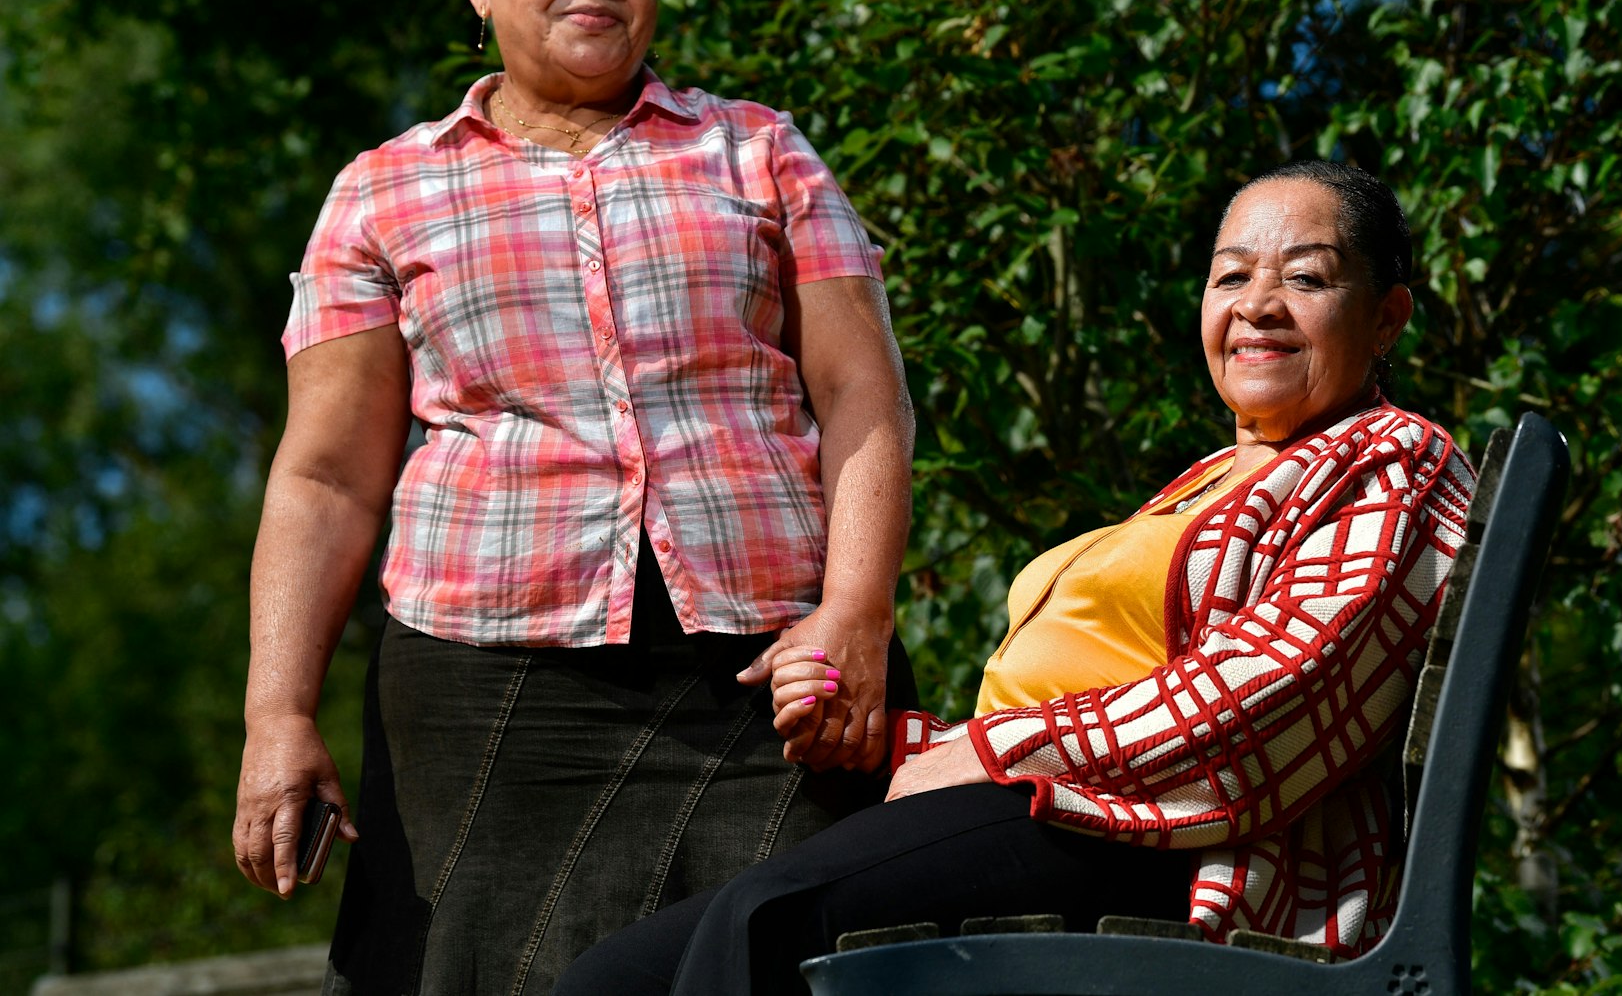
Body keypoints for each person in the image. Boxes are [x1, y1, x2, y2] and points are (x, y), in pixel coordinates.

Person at [230, 0, 916, 996]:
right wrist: (275, 713)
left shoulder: (760, 152)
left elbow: (863, 393)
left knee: (795, 967)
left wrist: (855, 612)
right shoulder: (383, 190)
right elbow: (327, 477)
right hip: (485, 702)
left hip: (773, 691)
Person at [553, 161, 1477, 996]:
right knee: (615, 977)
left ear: (1386, 315)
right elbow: (1075, 690)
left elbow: (1275, 689)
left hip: (1163, 840)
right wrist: (889, 735)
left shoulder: (1392, 455)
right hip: (1054, 801)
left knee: (772, 923)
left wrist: (995, 756)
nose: (1258, 303)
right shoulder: (1204, 482)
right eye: (1232, 275)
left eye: (1306, 277)